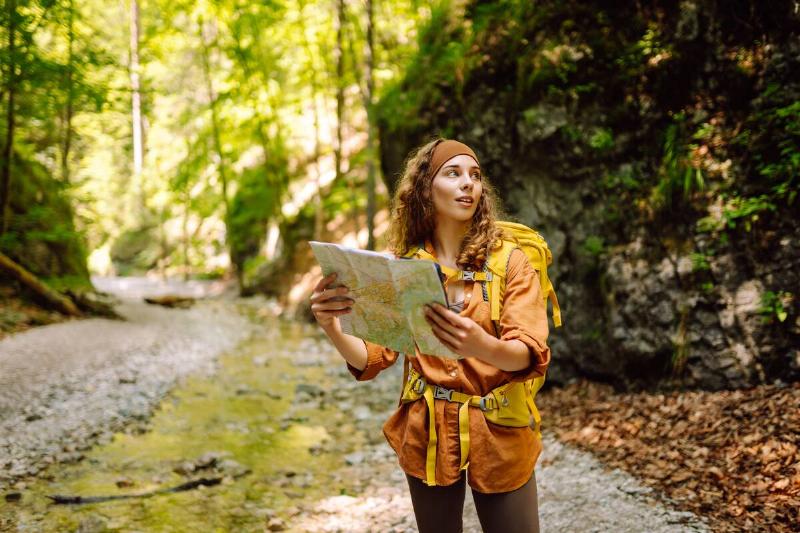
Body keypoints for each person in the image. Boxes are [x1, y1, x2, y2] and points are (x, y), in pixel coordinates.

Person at [310, 138, 551, 533]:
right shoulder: (402, 269)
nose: (467, 184)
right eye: (452, 173)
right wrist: (332, 327)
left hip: (502, 429)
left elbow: (528, 354)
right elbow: (371, 359)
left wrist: (482, 346)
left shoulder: (511, 261)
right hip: (428, 431)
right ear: (426, 188)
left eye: (474, 175)